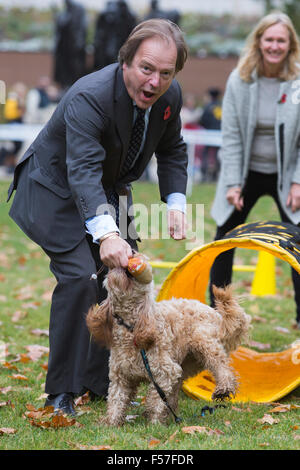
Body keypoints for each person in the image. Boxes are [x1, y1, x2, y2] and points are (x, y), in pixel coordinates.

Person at [7, 19, 189, 415]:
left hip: (105, 189)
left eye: (165, 73)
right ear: (125, 60)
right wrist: (106, 235)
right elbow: (83, 171)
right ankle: (62, 392)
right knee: (80, 277)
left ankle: (102, 381)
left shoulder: (169, 95)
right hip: (53, 187)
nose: (155, 82)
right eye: (146, 68)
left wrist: (176, 203)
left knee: (129, 279)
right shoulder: (89, 96)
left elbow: (173, 149)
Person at [210, 11, 300, 329]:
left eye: (281, 40)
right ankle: (217, 316)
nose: (275, 46)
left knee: (297, 241)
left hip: (287, 173)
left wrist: (298, 182)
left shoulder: (297, 81)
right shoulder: (240, 79)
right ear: (259, 42)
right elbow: (231, 135)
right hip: (245, 171)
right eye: (269, 39)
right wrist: (234, 183)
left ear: (290, 45)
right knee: (224, 239)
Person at [54, 0, 87, 89]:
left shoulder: (79, 11)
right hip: (64, 50)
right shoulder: (62, 16)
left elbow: (82, 30)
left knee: (74, 70)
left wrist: (78, 43)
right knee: (65, 72)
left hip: (74, 50)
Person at [199, 87, 222, 181]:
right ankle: (215, 175)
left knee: (205, 154)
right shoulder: (221, 107)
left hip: (208, 134)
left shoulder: (207, 106)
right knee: (217, 154)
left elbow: (202, 120)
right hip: (219, 134)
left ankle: (204, 174)